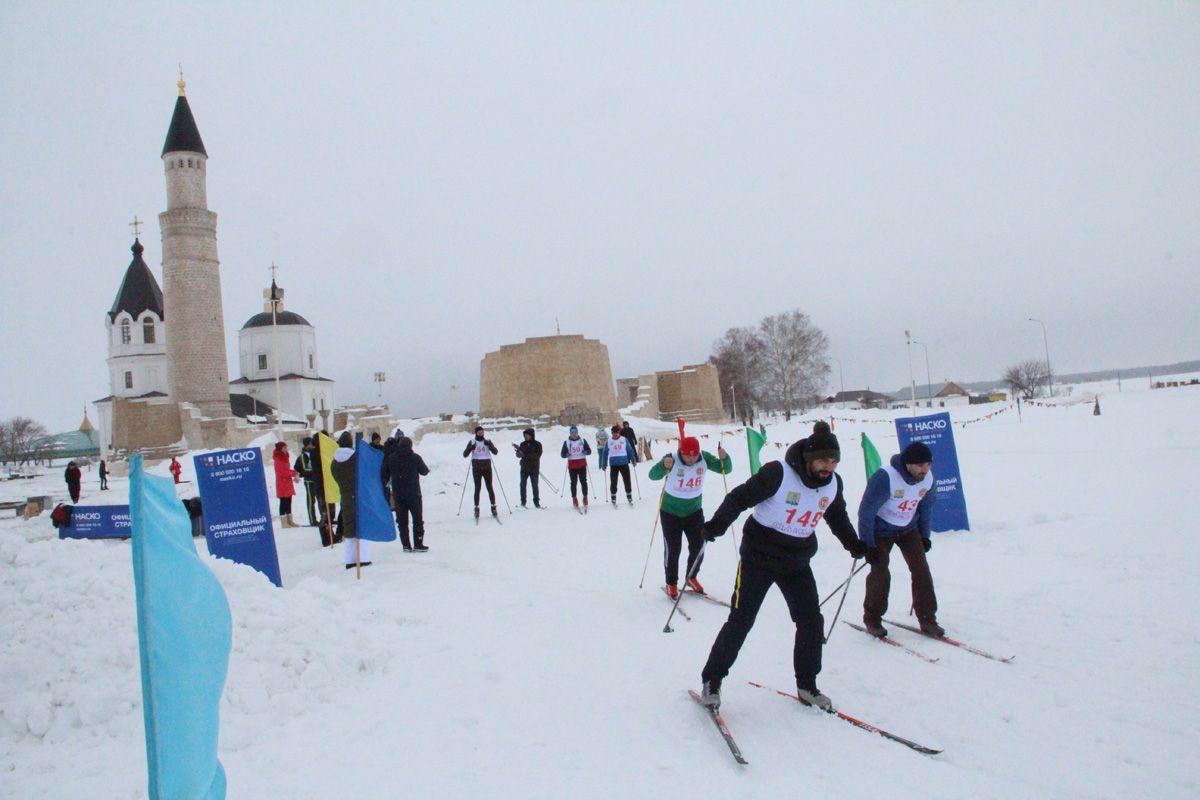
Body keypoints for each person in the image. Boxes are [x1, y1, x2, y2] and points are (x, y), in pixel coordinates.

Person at [697, 421, 866, 711]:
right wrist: (717, 525)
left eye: (835, 461)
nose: (830, 467)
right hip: (758, 558)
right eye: (825, 460)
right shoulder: (779, 473)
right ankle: (712, 680)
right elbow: (739, 498)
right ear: (810, 459)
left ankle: (807, 684)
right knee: (742, 620)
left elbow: (837, 517)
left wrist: (854, 544)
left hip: (797, 561)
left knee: (811, 621)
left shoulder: (833, 484)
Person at [857, 441, 941, 638]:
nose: (925, 470)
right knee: (880, 572)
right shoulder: (886, 477)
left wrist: (924, 536)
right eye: (920, 465)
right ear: (908, 464)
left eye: (928, 465)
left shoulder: (928, 479)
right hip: (881, 530)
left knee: (921, 569)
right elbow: (866, 512)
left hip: (908, 528)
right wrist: (868, 544)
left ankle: (928, 619)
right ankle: (873, 619)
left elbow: (925, 508)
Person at [649, 436, 730, 598]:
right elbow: (653, 475)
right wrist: (663, 465)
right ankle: (671, 582)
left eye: (694, 455)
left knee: (699, 545)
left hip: (693, 511)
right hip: (670, 512)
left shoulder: (704, 458)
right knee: (673, 549)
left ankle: (691, 576)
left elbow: (725, 469)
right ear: (681, 452)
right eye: (687, 455)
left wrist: (725, 458)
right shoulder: (671, 458)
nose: (691, 459)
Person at [382, 435, 430, 551]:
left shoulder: (391, 458)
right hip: (414, 493)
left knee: (402, 521)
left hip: (399, 494)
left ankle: (406, 545)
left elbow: (384, 474)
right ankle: (418, 544)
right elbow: (424, 471)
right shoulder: (415, 458)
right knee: (417, 519)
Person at [330, 431, 369, 568]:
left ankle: (350, 560)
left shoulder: (334, 462)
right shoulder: (355, 459)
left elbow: (336, 477)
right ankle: (363, 558)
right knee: (361, 527)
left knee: (349, 528)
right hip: (358, 496)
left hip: (345, 496)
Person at [463, 426, 499, 518]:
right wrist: (471, 447)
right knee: (477, 488)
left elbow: (495, 452)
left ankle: (493, 507)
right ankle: (476, 508)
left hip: (487, 467)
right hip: (477, 467)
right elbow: (465, 454)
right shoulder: (472, 441)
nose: (481, 433)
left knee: (489, 487)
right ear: (476, 433)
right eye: (479, 432)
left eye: (482, 432)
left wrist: (490, 445)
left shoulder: (487, 441)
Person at [560, 426, 592, 510]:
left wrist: (586, 451)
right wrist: (566, 454)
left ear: (577, 433)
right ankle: (574, 498)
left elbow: (589, 451)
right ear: (570, 433)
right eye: (572, 433)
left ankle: (585, 497)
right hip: (572, 465)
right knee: (573, 483)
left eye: (575, 432)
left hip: (581, 464)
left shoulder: (582, 441)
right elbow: (562, 454)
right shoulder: (567, 442)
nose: (574, 434)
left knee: (583, 481)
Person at [605, 423, 637, 505]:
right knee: (613, 481)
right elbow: (605, 453)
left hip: (624, 463)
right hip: (613, 464)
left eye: (616, 433)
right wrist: (604, 463)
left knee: (627, 480)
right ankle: (613, 496)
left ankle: (629, 495)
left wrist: (633, 459)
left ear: (619, 432)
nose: (615, 435)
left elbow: (629, 450)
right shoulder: (609, 441)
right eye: (613, 433)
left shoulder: (624, 439)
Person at [512, 427, 543, 508]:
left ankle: (536, 502)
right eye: (525, 435)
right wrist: (518, 453)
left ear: (532, 435)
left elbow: (537, 455)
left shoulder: (537, 444)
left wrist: (525, 454)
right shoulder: (522, 444)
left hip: (534, 468)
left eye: (527, 435)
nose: (526, 436)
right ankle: (523, 502)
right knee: (522, 485)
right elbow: (519, 455)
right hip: (524, 468)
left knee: (535, 486)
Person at [272, 442, 299, 528]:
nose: (286, 449)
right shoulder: (278, 458)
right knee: (283, 502)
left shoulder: (285, 457)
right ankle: (284, 522)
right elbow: (282, 472)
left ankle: (290, 521)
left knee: (288, 501)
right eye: (285, 448)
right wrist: (293, 473)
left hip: (287, 482)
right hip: (282, 483)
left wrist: (294, 473)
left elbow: (286, 469)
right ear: (281, 449)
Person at [293, 437, 319, 526]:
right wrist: (316, 471)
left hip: (316, 480)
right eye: (311, 443)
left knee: (319, 499)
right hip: (309, 481)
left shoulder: (313, 453)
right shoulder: (304, 455)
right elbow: (304, 469)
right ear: (307, 445)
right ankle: (312, 520)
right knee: (311, 500)